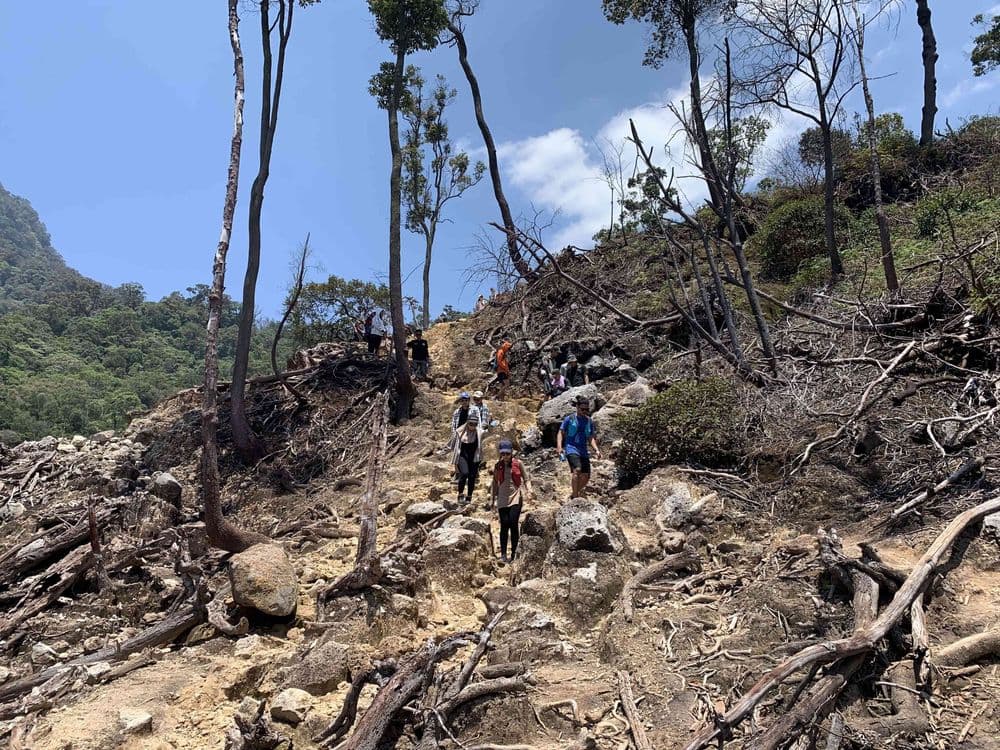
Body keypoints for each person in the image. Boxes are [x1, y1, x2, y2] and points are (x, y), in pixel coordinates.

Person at [490, 439, 533, 564]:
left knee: (513, 523)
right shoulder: (498, 466)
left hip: (516, 496)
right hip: (502, 498)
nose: (505, 456)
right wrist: (492, 499)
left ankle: (514, 553)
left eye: (507, 454)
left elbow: (526, 478)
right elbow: (494, 483)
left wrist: (529, 491)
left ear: (511, 453)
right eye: (502, 454)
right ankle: (503, 554)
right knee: (504, 524)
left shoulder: (518, 463)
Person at [556, 396, 601, 499]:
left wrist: (596, 450)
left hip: (583, 450)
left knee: (586, 476)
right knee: (577, 469)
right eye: (582, 409)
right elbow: (561, 432)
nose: (584, 411)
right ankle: (575, 497)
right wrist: (559, 447)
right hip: (571, 447)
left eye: (587, 409)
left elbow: (590, 437)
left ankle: (573, 494)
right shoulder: (570, 419)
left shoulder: (588, 421)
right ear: (577, 407)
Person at [452, 413, 484, 505]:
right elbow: (451, 444)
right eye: (471, 424)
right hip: (462, 456)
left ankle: (469, 496)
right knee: (464, 473)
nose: (473, 426)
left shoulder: (479, 433)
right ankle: (460, 494)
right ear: (467, 423)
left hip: (474, 457)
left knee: (472, 477)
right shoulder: (460, 432)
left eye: (475, 424)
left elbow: (488, 433)